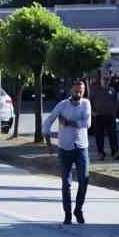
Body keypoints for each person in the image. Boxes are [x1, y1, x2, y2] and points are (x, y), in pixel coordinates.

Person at [44, 79, 93, 225]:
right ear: (71, 90)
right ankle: (67, 213)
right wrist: (48, 143)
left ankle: (78, 209)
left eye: (81, 91)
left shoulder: (86, 104)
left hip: (81, 147)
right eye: (76, 90)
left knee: (84, 179)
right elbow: (48, 122)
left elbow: (87, 123)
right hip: (65, 148)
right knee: (66, 183)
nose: (79, 93)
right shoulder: (63, 105)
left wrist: (69, 123)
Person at [89, 72, 119, 160]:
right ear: (101, 80)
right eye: (104, 79)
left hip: (110, 116)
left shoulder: (112, 90)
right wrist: (92, 112)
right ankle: (100, 153)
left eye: (107, 79)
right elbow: (89, 102)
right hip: (98, 116)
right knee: (99, 136)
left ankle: (115, 152)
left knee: (112, 135)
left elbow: (116, 102)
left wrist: (114, 112)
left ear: (109, 81)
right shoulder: (95, 90)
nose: (106, 81)